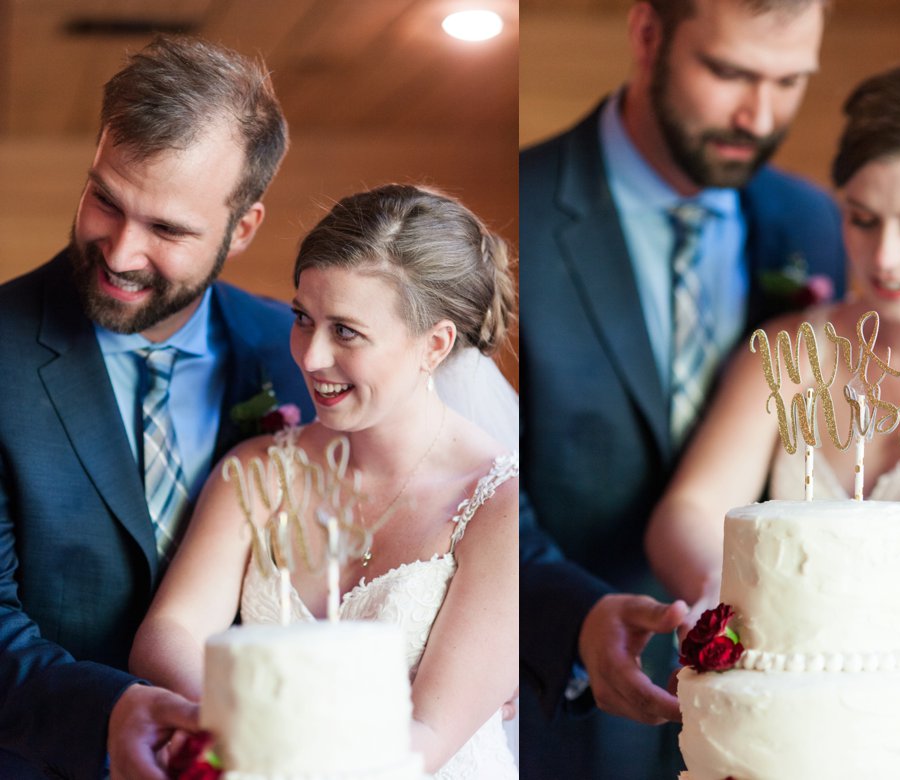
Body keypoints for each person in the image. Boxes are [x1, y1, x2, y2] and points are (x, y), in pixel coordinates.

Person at [646, 59, 900, 778]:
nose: (882, 257)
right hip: (777, 739)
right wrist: (723, 605)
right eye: (860, 219)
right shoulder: (793, 350)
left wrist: (841, 718)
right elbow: (690, 507)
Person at [519, 0, 846, 776]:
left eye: (789, 81)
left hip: (776, 713)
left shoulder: (813, 223)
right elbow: (475, 479)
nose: (758, 114)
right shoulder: (515, 211)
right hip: (569, 701)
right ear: (646, 35)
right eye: (728, 71)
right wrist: (573, 616)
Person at [0, 35, 313, 779]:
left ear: (243, 229)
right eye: (106, 199)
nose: (120, 251)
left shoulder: (299, 356)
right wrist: (111, 713)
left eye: (168, 229)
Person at [130, 184, 520, 778]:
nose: (309, 357)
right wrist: (253, 732)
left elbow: (429, 733)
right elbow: (167, 635)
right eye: (302, 319)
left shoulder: (499, 506)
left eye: (346, 332)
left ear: (434, 345)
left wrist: (274, 737)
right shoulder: (258, 470)